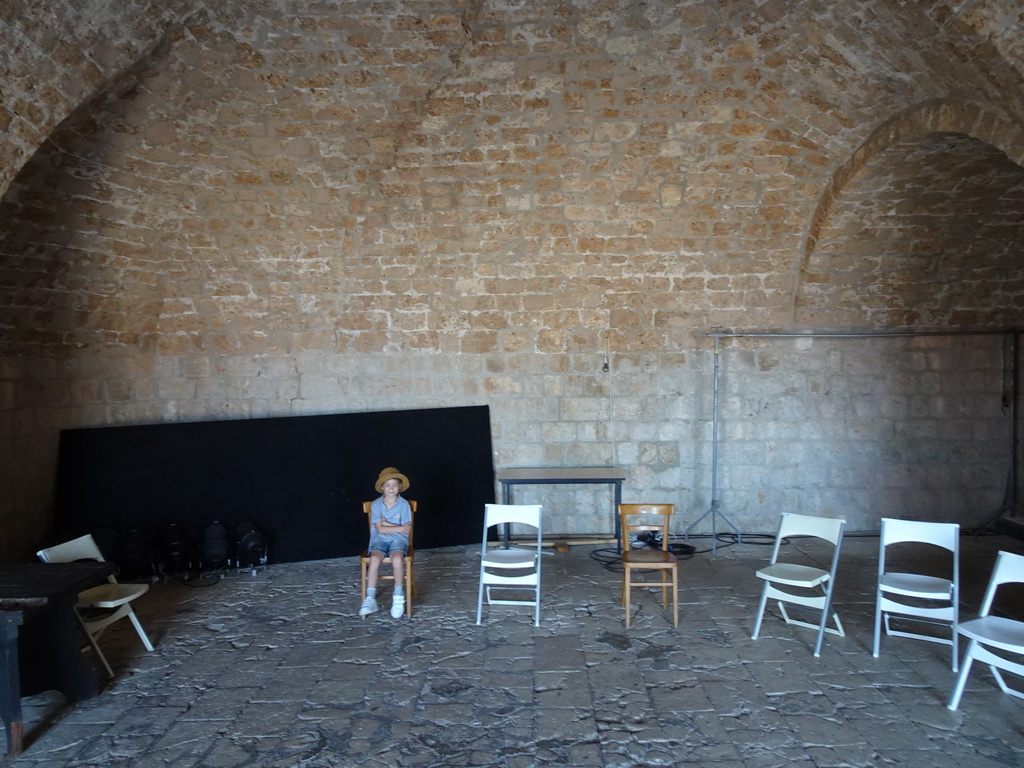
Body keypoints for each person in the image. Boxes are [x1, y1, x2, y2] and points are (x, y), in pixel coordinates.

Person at [359, 467, 413, 618]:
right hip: (379, 540)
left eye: (394, 485)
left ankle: (398, 596)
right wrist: (399, 527)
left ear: (400, 487)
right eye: (387, 485)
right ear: (382, 487)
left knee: (397, 558)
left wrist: (387, 524)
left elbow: (406, 531)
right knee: (375, 558)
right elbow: (380, 530)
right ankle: (370, 598)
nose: (391, 488)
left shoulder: (404, 505)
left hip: (399, 540)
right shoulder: (376, 505)